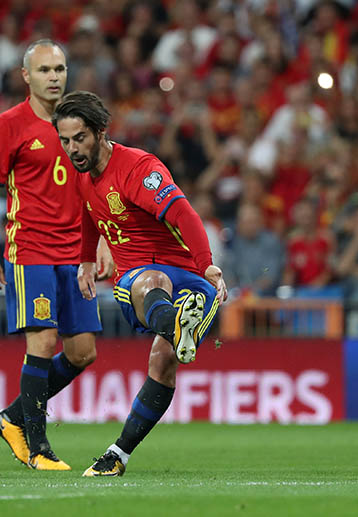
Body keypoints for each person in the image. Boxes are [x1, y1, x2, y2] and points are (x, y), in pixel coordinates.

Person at [52, 90, 227, 477]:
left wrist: (209, 267)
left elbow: (184, 214)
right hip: (146, 281)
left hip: (191, 278)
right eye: (64, 141)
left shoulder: (137, 169)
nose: (71, 149)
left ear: (100, 132)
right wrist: (84, 258)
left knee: (163, 352)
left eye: (78, 138)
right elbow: (88, 215)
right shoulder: (83, 178)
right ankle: (119, 454)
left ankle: (117, 455)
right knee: (158, 326)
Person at [0, 40, 112, 471]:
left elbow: (99, 183)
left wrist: (104, 240)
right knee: (44, 340)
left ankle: (12, 418)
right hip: (29, 249)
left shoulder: (79, 124)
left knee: (83, 352)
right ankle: (37, 448)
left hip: (77, 254)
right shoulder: (8, 125)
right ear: (26, 77)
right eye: (45, 70)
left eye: (60, 68)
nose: (54, 76)